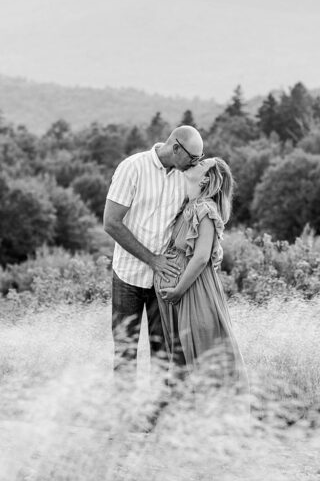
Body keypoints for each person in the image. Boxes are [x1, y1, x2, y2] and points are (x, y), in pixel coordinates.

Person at [103, 125, 205, 386]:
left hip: (164, 282)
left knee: (164, 355)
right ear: (176, 148)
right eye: (193, 158)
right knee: (125, 353)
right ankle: (124, 419)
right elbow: (111, 223)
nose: (196, 164)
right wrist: (152, 260)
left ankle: (155, 420)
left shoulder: (186, 177)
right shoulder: (132, 167)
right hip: (128, 277)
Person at [156, 157, 246, 389]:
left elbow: (201, 257)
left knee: (201, 350)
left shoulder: (204, 209)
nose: (196, 163)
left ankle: (212, 411)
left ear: (206, 178)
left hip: (192, 290)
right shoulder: (189, 204)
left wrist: (178, 290)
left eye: (201, 164)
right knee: (182, 355)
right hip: (179, 292)